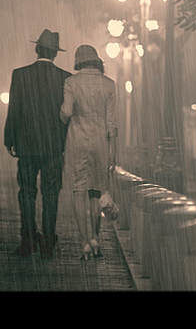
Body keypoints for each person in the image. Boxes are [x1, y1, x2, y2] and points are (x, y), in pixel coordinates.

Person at [4, 29, 71, 259]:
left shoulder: (20, 75)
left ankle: (28, 240)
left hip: (27, 145)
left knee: (26, 193)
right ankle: (48, 242)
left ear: (36, 49)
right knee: (50, 195)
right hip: (53, 147)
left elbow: (14, 109)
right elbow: (67, 114)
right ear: (55, 53)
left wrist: (10, 138)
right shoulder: (65, 78)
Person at [60, 45, 117, 260]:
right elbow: (111, 123)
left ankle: (83, 242)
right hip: (100, 142)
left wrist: (63, 117)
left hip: (77, 141)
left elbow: (66, 111)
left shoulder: (71, 82)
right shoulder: (108, 84)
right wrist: (112, 151)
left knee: (78, 190)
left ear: (78, 61)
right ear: (96, 60)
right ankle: (95, 238)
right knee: (96, 191)